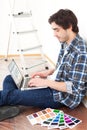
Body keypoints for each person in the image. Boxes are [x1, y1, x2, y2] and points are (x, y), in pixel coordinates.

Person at [0, 9, 87, 118]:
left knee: (9, 95)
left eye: (57, 30)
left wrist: (44, 83)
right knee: (9, 78)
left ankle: (10, 100)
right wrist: (49, 72)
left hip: (59, 96)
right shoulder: (66, 42)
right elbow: (63, 66)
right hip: (53, 83)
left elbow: (75, 88)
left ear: (69, 26)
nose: (54, 34)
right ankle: (9, 106)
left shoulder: (81, 53)